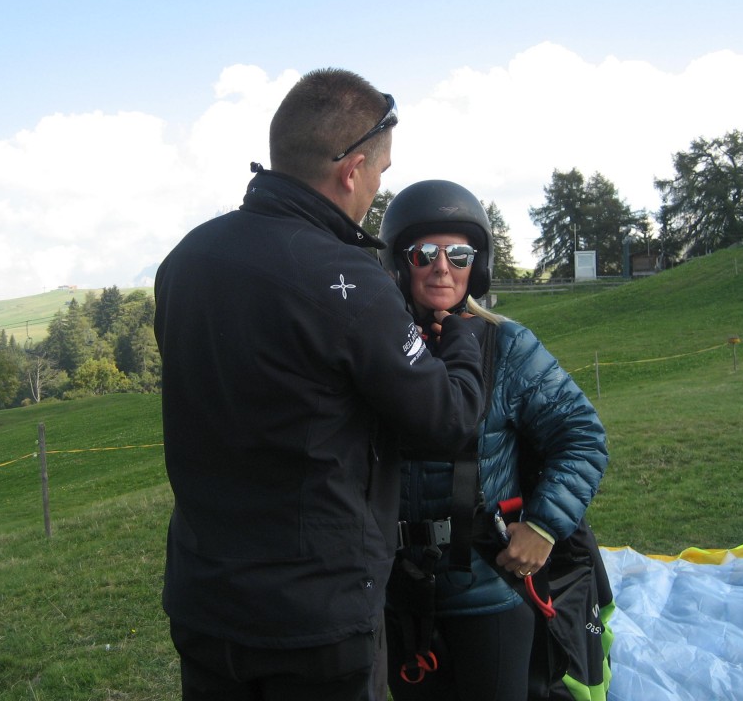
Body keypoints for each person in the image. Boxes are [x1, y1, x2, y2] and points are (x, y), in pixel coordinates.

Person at [153, 70, 487, 701]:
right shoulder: (346, 281)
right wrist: (461, 340)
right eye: (382, 174)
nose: (379, 190)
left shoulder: (186, 260)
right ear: (352, 169)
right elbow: (448, 419)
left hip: (204, 600)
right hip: (313, 618)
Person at [377, 180, 612, 701]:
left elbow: (583, 436)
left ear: (475, 265)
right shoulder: (375, 350)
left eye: (458, 253)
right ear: (400, 262)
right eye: (425, 253)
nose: (443, 266)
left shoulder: (504, 346)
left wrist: (545, 527)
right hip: (396, 594)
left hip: (488, 589)